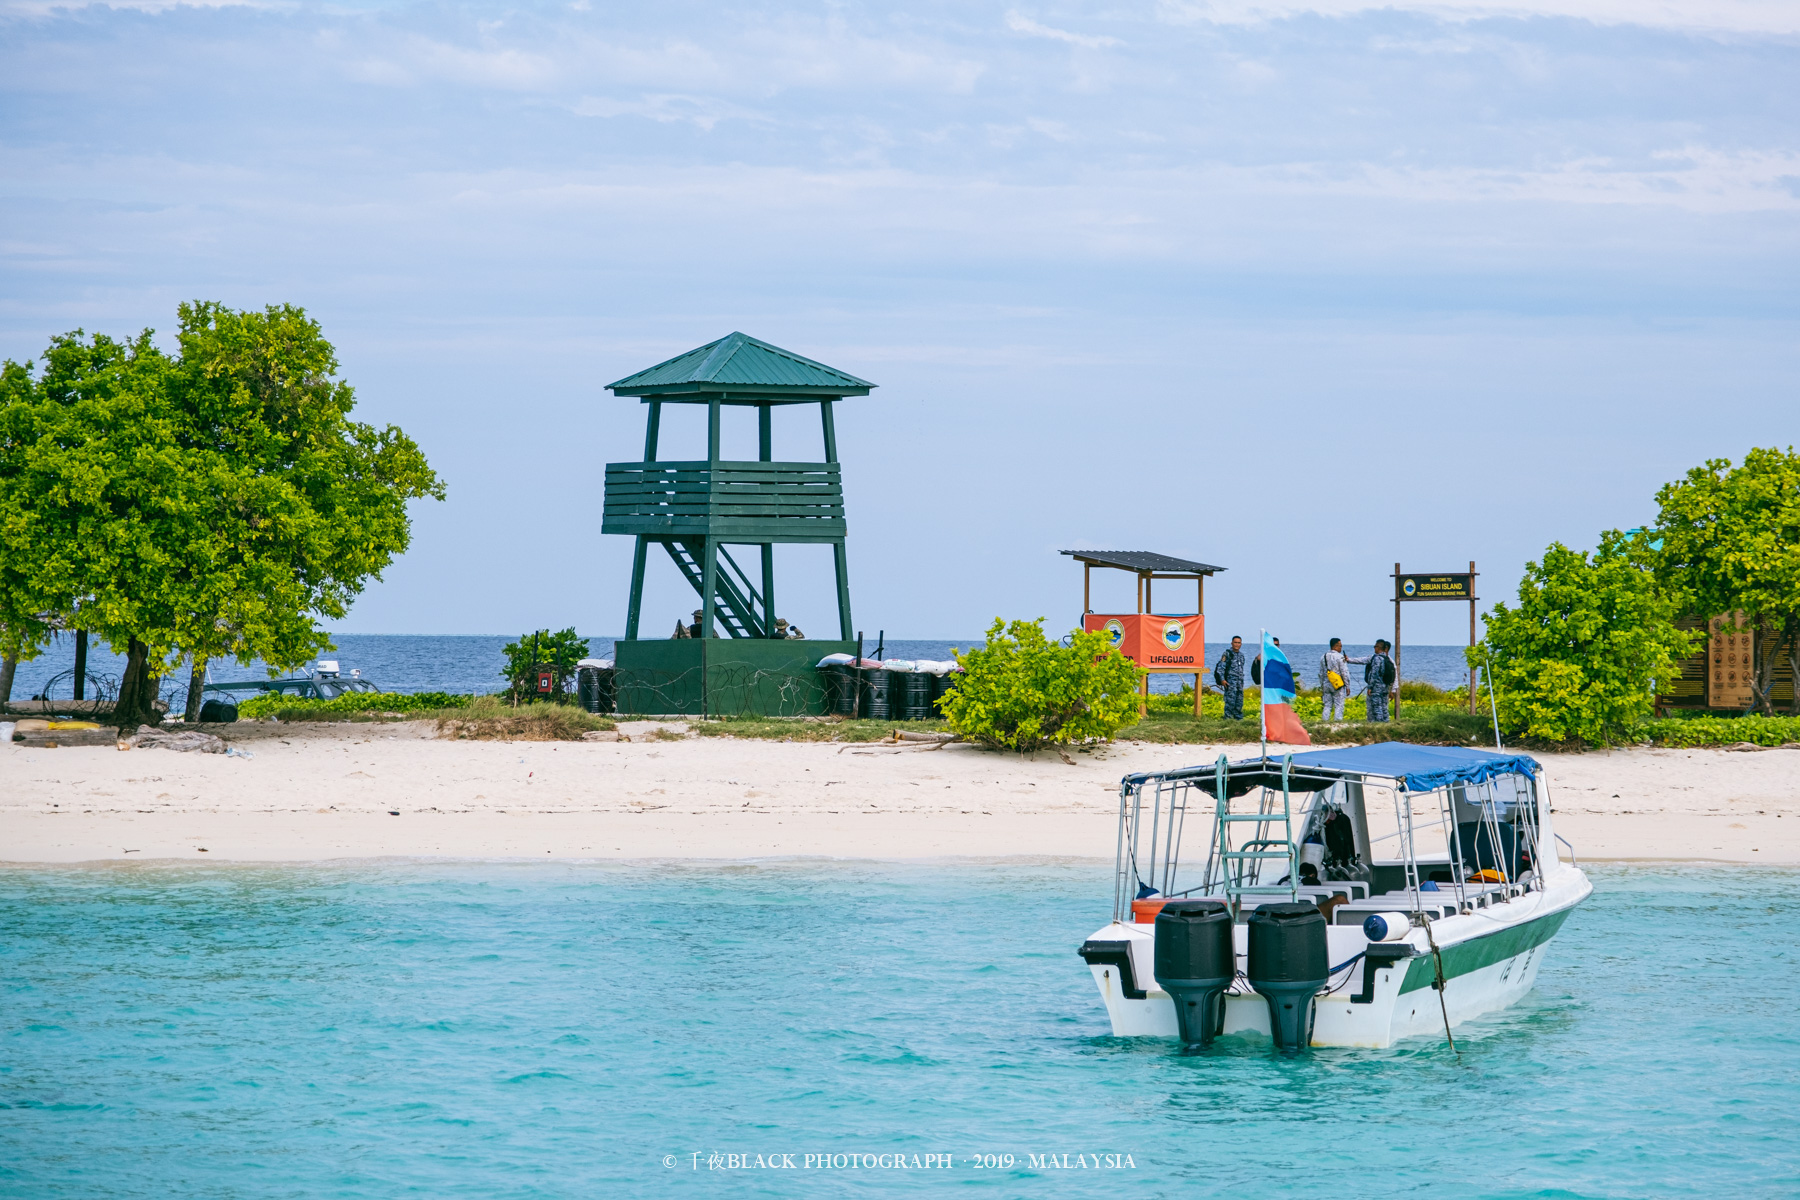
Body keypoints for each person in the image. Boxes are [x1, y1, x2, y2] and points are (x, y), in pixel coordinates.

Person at [1320, 638, 1366, 722]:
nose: (1341, 648)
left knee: (1327, 705)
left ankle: (1324, 722)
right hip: (1338, 684)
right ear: (1336, 646)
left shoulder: (1323, 657)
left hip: (1326, 683)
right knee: (1339, 705)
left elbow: (1321, 673)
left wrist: (1322, 685)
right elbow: (1344, 672)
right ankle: (1337, 722)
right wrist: (1348, 686)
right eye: (1340, 646)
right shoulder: (1340, 657)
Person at [1213, 635, 1247, 720]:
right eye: (1235, 642)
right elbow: (1220, 668)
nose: (1237, 644)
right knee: (1230, 700)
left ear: (1241, 644)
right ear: (1231, 643)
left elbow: (1241, 669)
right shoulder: (1227, 654)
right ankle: (1228, 718)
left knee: (1239, 701)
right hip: (1230, 681)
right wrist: (1222, 680)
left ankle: (1238, 718)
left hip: (1239, 682)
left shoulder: (1241, 655)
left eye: (1239, 643)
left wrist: (1242, 682)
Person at [1364, 639, 1395, 722]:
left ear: (1378, 647)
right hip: (1385, 686)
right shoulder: (1387, 659)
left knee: (1377, 707)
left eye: (1375, 646)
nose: (1374, 648)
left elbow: (1374, 673)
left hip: (1377, 687)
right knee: (1384, 708)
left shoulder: (1377, 659)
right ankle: (1386, 723)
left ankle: (1378, 724)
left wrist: (1370, 687)